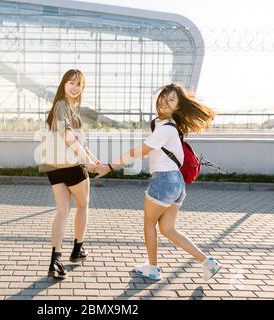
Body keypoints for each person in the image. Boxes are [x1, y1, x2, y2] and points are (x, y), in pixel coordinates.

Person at [95, 83, 222, 281]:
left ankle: (152, 268)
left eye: (171, 100)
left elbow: (136, 152)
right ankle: (208, 262)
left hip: (164, 181)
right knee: (168, 229)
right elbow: (155, 152)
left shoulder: (167, 128)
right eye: (163, 97)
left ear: (177, 107)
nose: (164, 101)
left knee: (149, 224)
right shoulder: (168, 127)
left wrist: (109, 167)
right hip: (177, 183)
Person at [41, 69, 100, 280]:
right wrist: (87, 161)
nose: (75, 87)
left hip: (55, 168)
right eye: (71, 82)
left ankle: (55, 260)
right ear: (63, 84)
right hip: (73, 166)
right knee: (82, 205)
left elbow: (80, 141)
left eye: (79, 84)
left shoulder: (65, 108)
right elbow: (68, 137)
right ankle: (78, 249)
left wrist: (92, 159)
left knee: (62, 211)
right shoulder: (63, 106)